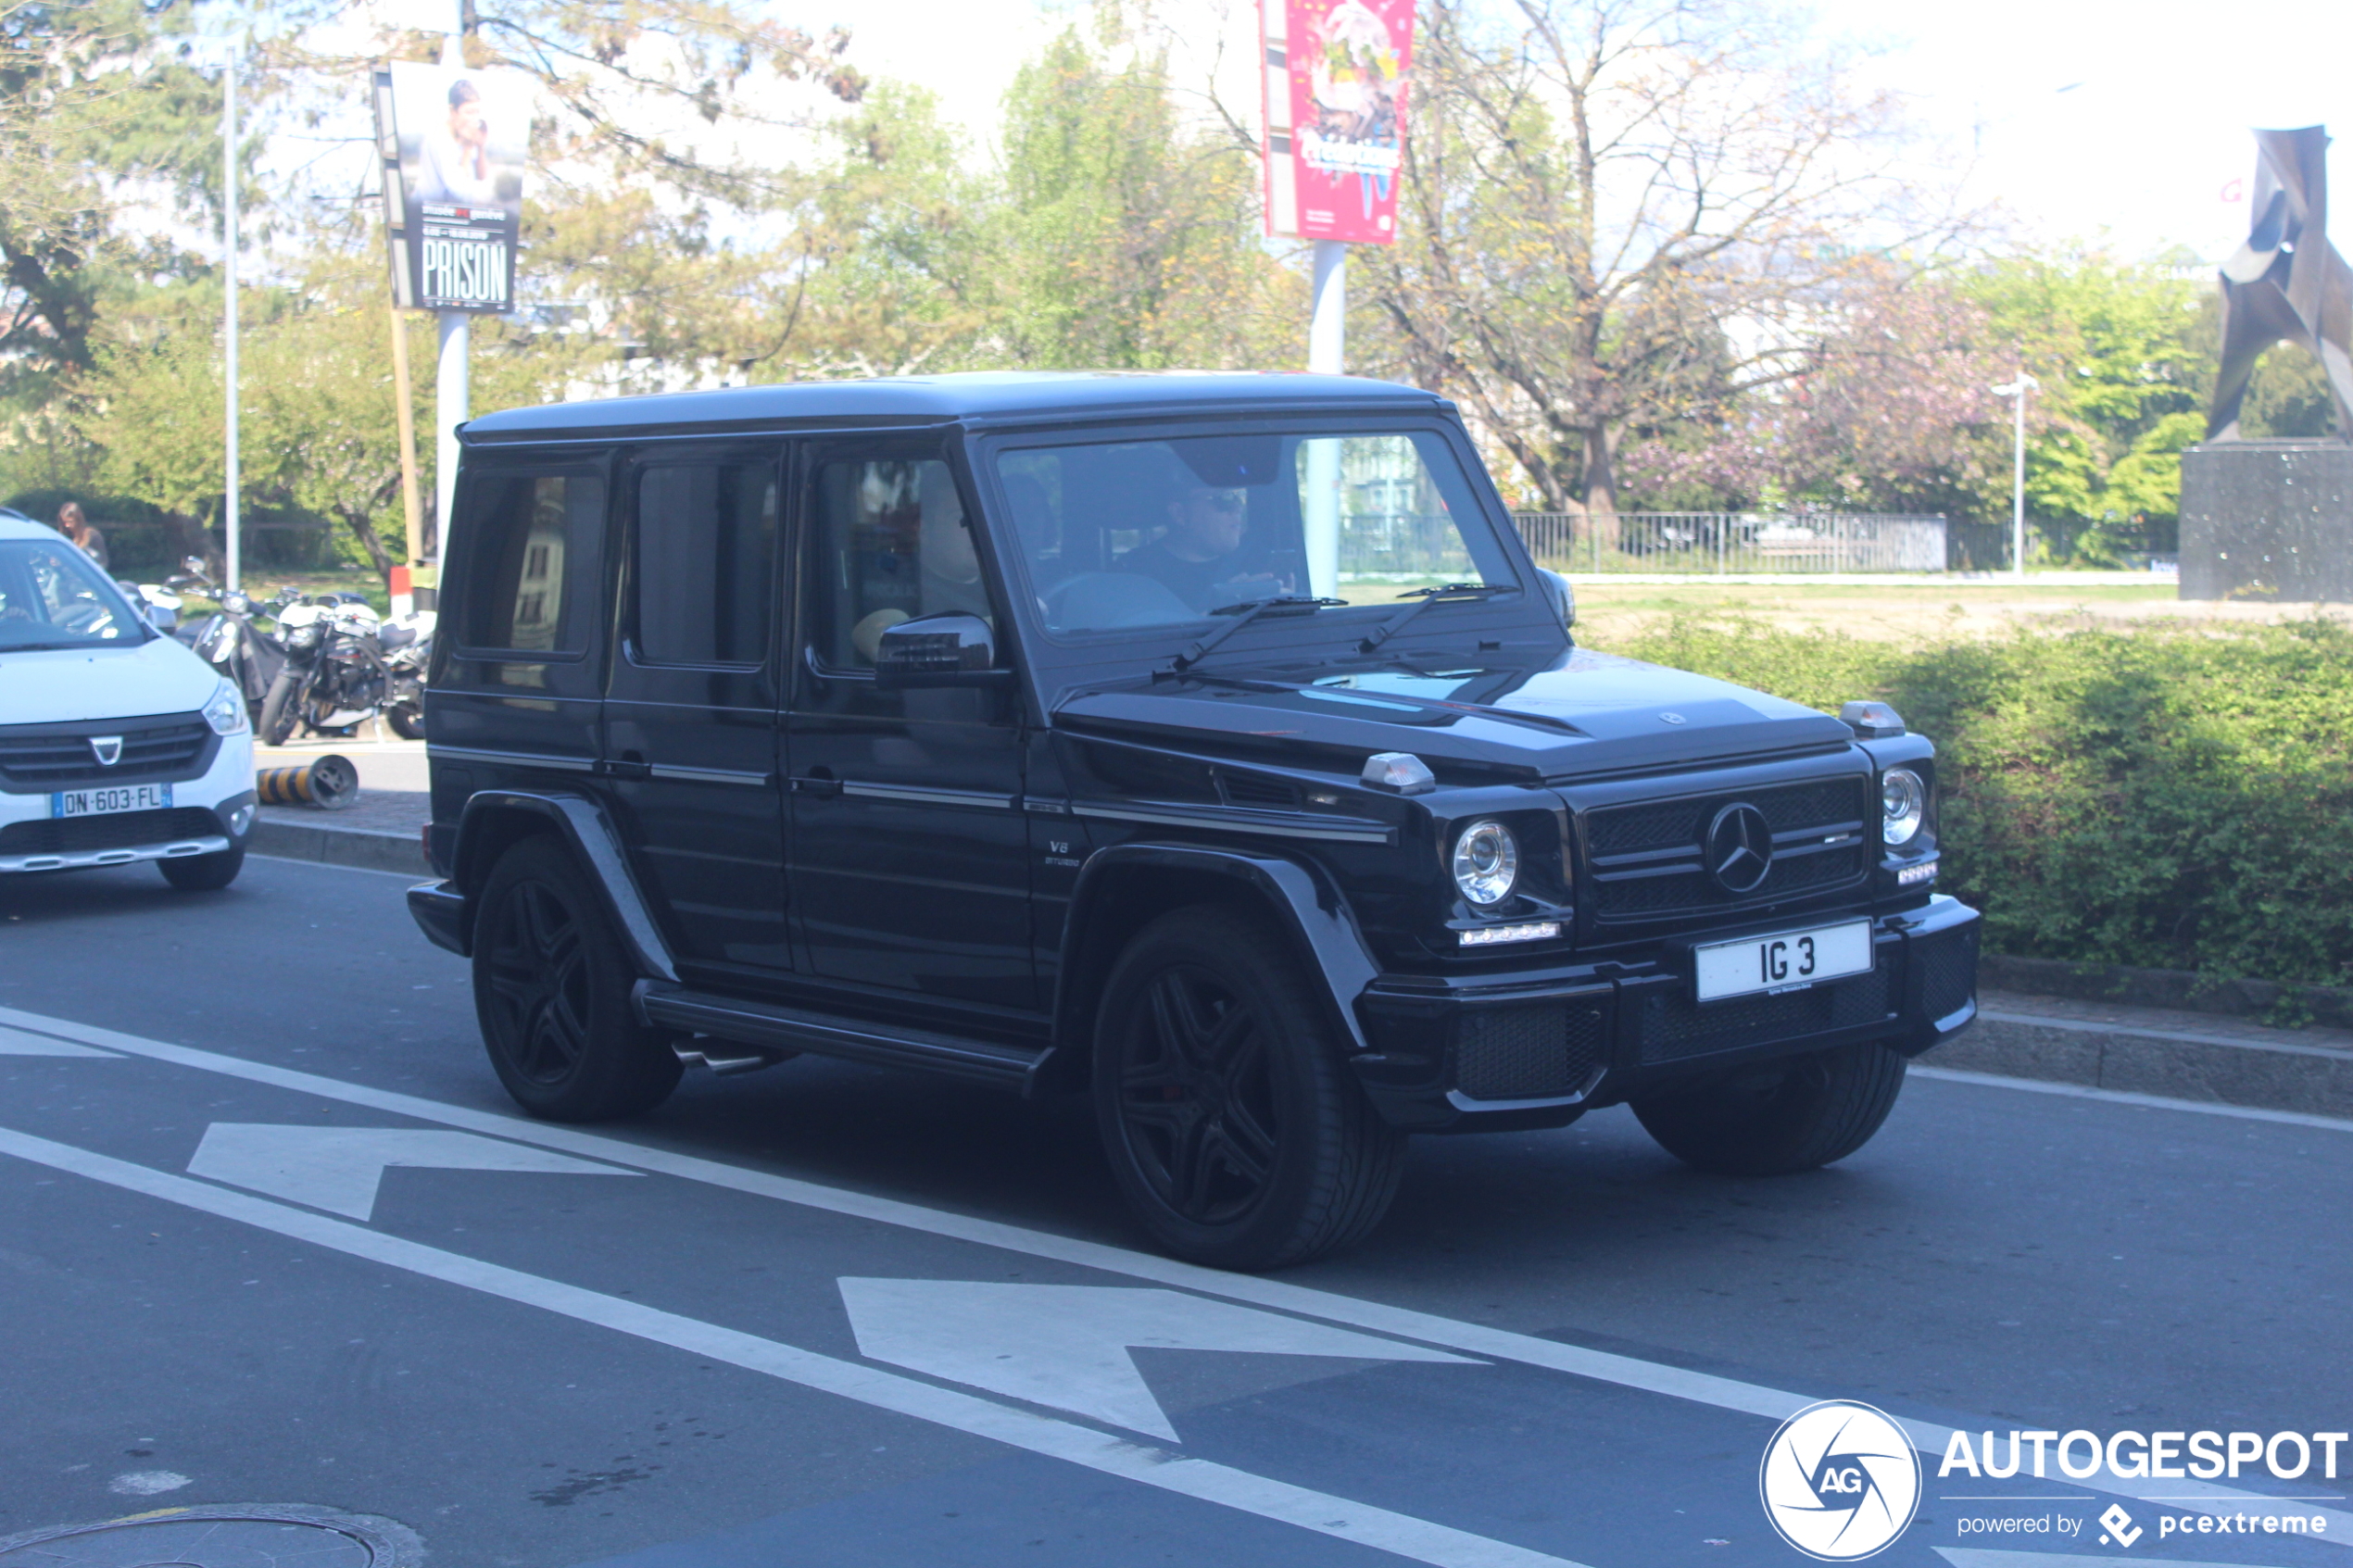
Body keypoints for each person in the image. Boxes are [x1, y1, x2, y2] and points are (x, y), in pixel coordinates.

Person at [1118, 483, 1281, 611]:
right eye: (1225, 498)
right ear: (1179, 513)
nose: (1237, 508)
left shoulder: (1259, 561)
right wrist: (1221, 611)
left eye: (1240, 497)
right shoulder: (1135, 574)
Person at [418, 79, 500, 207]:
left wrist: (480, 146)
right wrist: (467, 148)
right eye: (469, 112)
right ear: (452, 111)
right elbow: (462, 193)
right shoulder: (439, 139)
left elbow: (481, 179)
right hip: (428, 215)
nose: (474, 119)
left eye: (476, 112)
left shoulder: (465, 135)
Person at [55, 502, 107, 571]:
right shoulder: (67, 535)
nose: (67, 526)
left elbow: (103, 561)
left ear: (78, 520)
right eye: (65, 522)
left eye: (70, 522)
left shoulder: (92, 535)